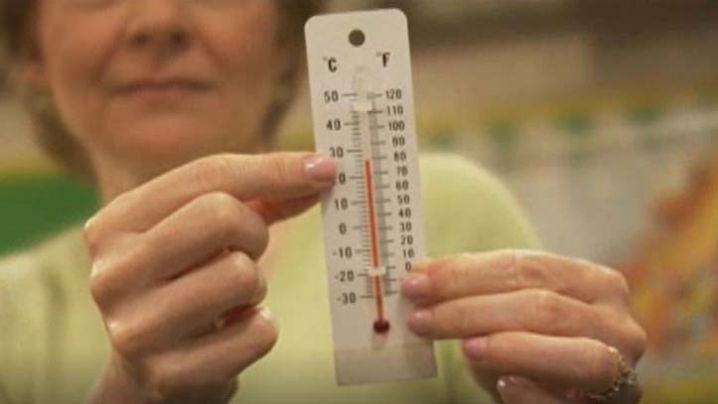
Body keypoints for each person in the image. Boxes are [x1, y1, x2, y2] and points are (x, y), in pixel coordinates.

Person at [0, 1, 646, 403]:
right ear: (31, 52)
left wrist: (602, 388)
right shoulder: (11, 314)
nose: (158, 21)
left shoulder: (449, 209)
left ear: (284, 38)